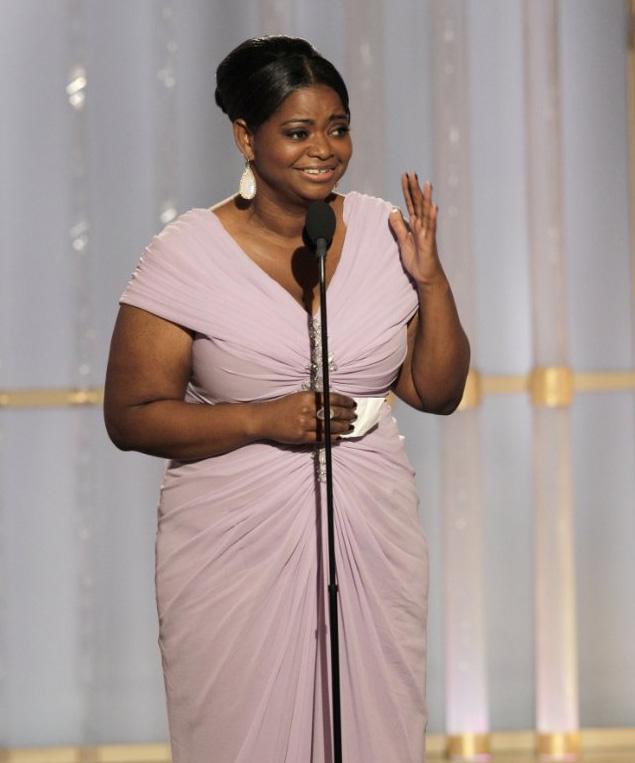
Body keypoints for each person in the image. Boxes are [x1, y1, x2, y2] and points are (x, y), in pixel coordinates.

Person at [104, 35, 469, 763]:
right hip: (231, 535)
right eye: (298, 132)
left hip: (370, 523)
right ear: (246, 137)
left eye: (338, 128)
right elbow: (131, 416)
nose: (324, 150)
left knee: (371, 723)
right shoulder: (184, 255)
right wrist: (262, 419)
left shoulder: (382, 234)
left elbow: (436, 391)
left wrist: (430, 281)